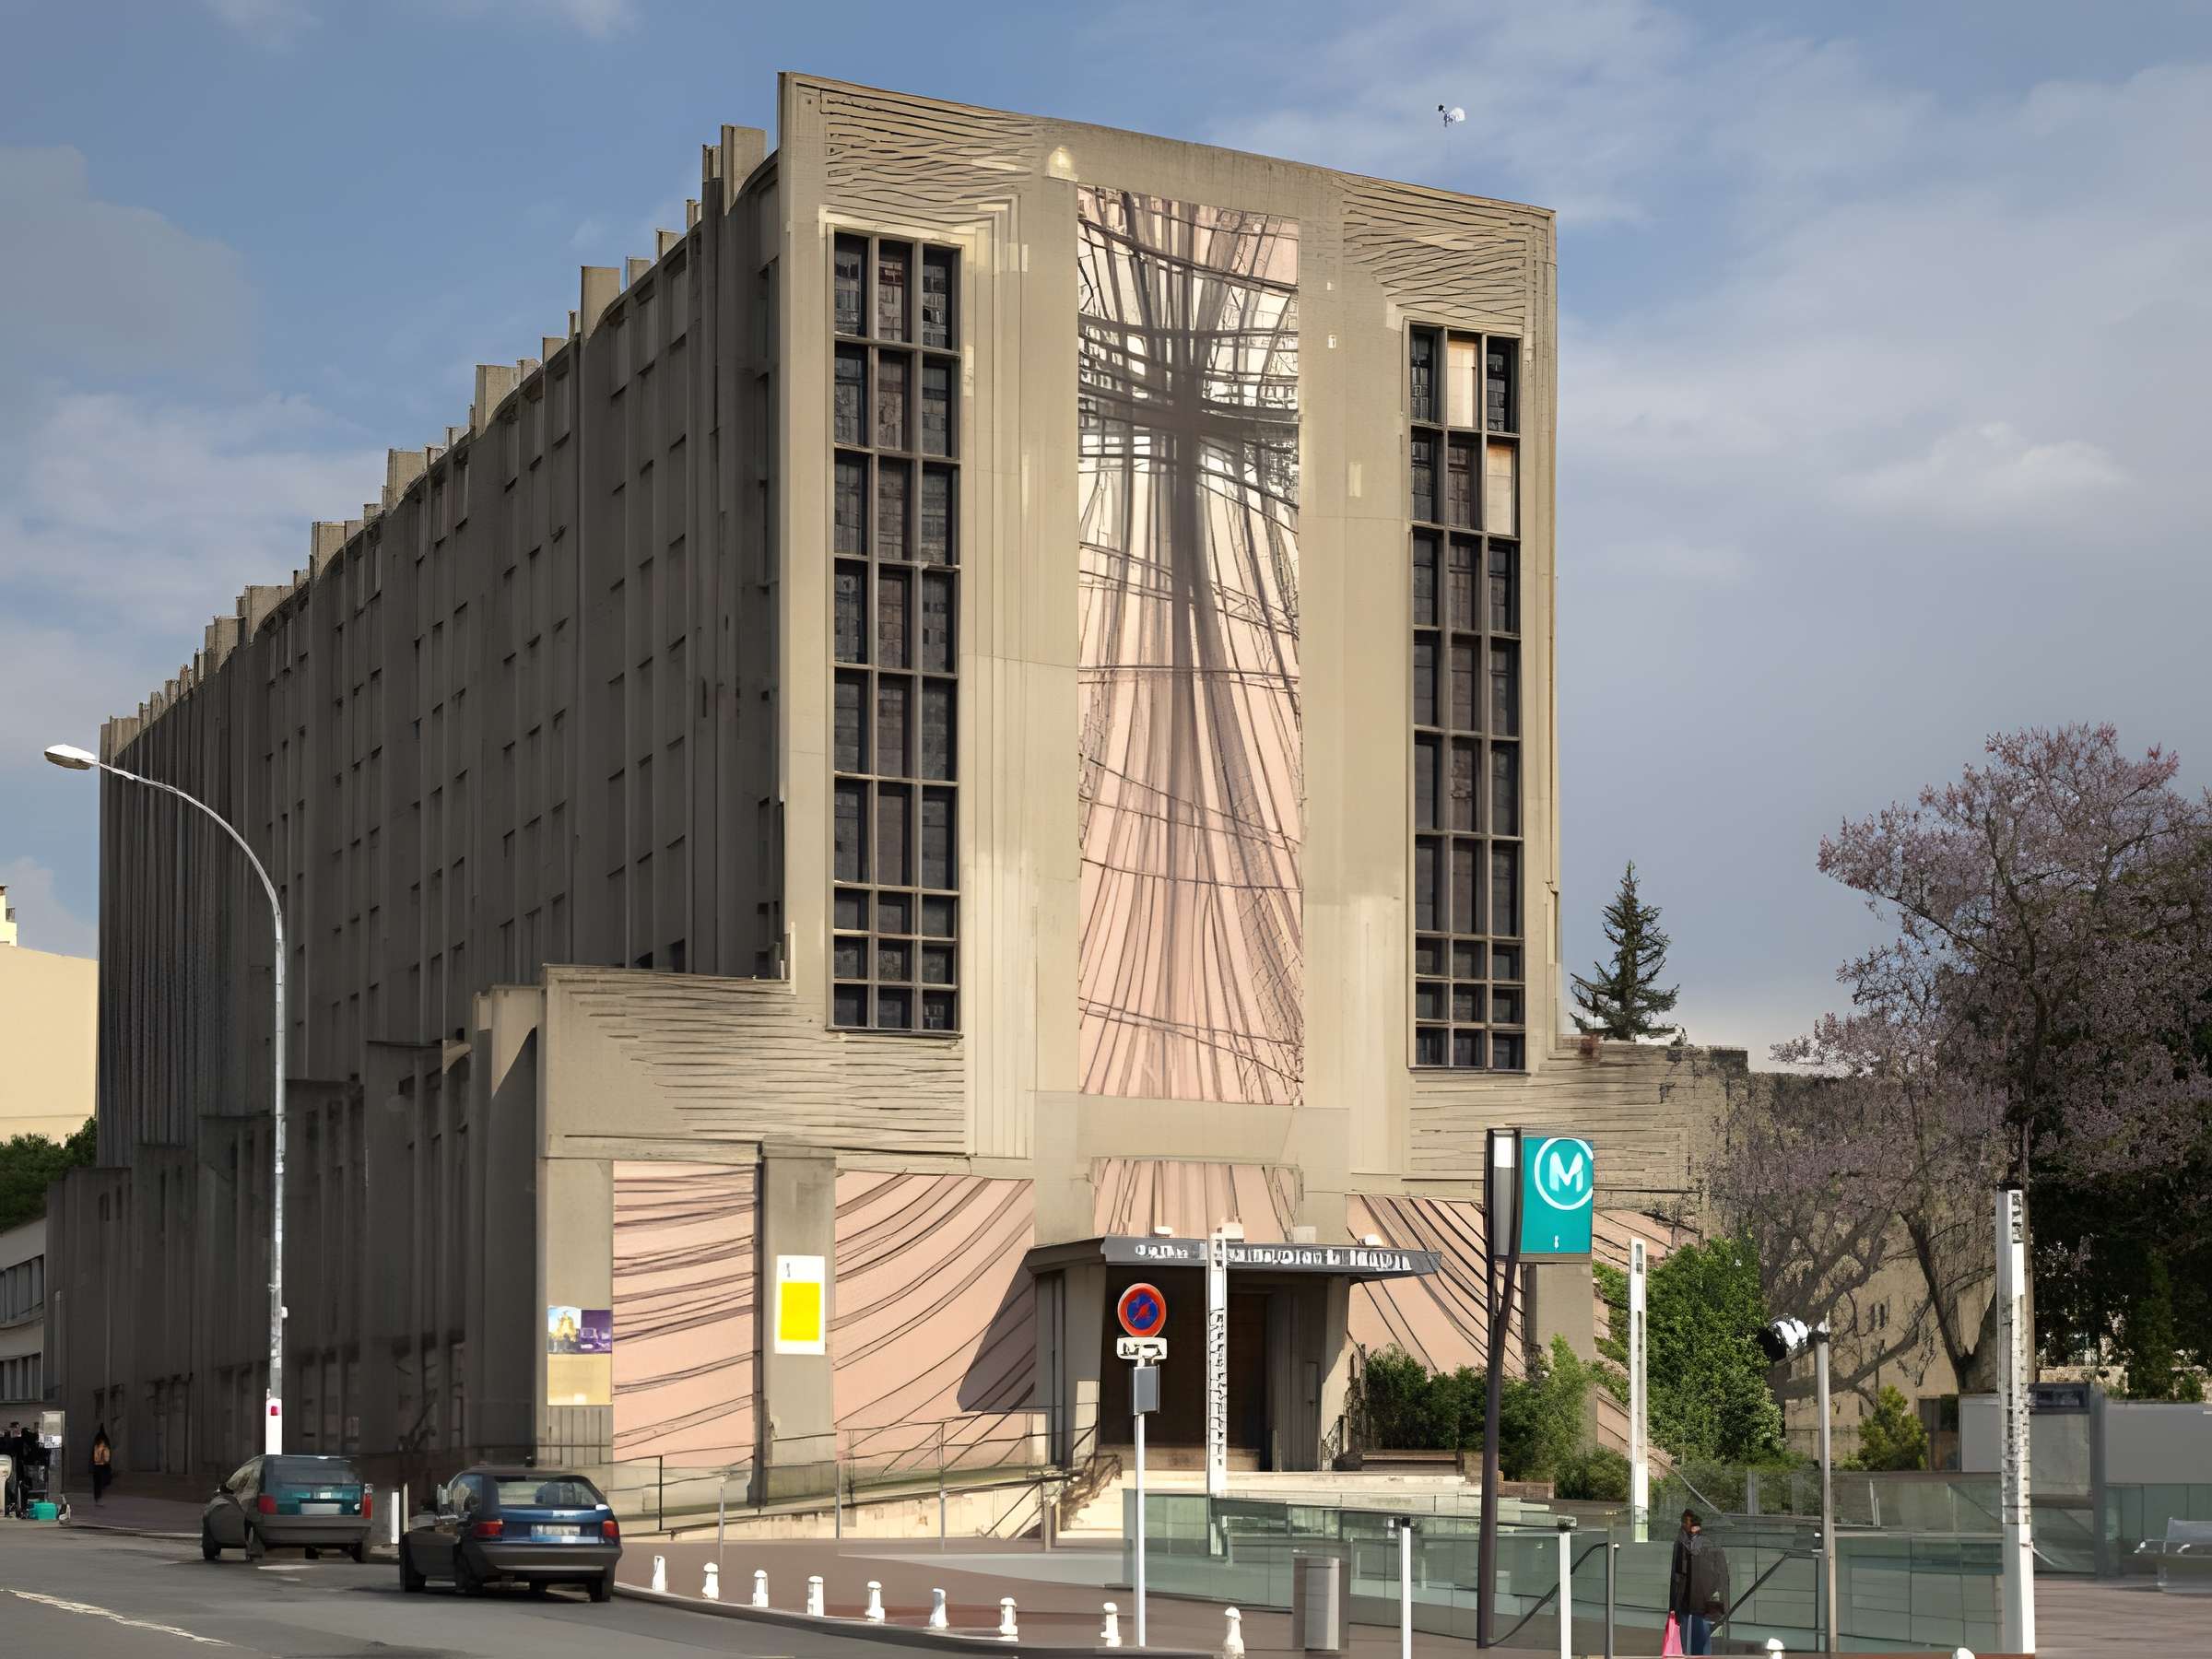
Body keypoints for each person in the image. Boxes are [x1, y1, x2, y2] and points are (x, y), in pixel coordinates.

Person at [1669, 1508, 1730, 1655]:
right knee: (1687, 1641)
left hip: (1703, 1601)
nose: (1684, 1524)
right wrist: (1674, 1605)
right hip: (1685, 1601)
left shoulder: (1709, 1544)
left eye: (1687, 1521)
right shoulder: (1681, 1542)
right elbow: (1676, 1575)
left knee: (1701, 1639)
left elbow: (1721, 1574)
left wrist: (1721, 1600)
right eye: (1683, 1521)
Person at [89, 1424, 112, 1505]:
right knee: (102, 1482)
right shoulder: (105, 1441)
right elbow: (108, 1455)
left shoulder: (97, 1441)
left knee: (97, 1483)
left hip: (97, 1465)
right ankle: (99, 1497)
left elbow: (93, 1454)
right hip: (104, 1465)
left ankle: (97, 1497)